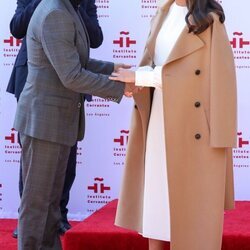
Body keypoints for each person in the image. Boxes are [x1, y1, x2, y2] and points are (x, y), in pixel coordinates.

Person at [110, 0, 237, 250]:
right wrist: (135, 80)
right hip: (158, 118)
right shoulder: (163, 13)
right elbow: (156, 65)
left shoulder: (210, 21)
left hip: (193, 128)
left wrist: (140, 77)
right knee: (156, 199)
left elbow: (209, 78)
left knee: (192, 213)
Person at [12, 0, 134, 248]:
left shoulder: (68, 8)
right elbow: (72, 75)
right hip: (43, 123)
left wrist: (113, 69)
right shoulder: (55, 12)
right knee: (38, 203)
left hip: (55, 121)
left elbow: (76, 59)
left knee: (51, 203)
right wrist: (121, 87)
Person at [7, 0, 105, 238]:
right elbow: (16, 27)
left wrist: (76, 7)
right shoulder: (49, 8)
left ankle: (56, 217)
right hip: (36, 81)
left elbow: (95, 38)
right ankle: (30, 220)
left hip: (69, 81)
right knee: (36, 164)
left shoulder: (80, 4)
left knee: (65, 158)